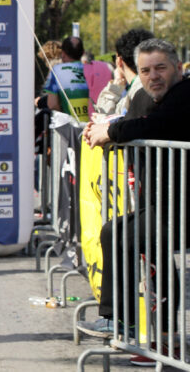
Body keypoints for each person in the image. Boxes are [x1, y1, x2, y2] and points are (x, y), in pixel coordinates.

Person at [83, 39, 190, 346]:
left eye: (160, 68)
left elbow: (154, 125)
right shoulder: (153, 97)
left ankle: (123, 322)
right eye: (145, 70)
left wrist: (109, 132)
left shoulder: (185, 93)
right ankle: (139, 328)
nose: (153, 76)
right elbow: (135, 122)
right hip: (166, 205)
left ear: (178, 68)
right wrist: (103, 128)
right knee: (115, 233)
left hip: (179, 210)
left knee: (120, 235)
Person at [93, 27, 153, 116]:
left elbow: (106, 116)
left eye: (115, 57)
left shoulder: (137, 91)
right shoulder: (156, 85)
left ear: (120, 61)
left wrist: (114, 88)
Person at [38, 36, 90, 122]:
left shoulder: (56, 70)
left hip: (71, 126)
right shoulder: (93, 69)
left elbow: (52, 105)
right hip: (93, 125)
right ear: (83, 53)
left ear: (63, 54)